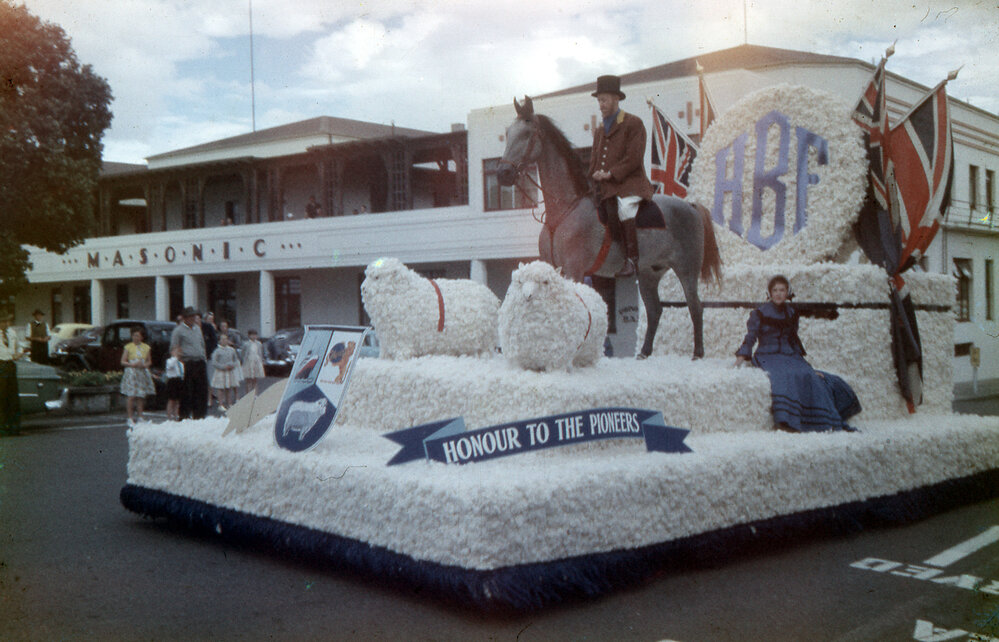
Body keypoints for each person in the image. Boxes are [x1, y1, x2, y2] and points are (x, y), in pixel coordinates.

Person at [734, 275, 861, 432]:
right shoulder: (759, 313)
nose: (779, 294)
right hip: (768, 356)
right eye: (775, 290)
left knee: (808, 375)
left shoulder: (792, 313)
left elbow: (793, 340)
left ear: (788, 292)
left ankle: (821, 420)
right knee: (786, 375)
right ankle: (787, 420)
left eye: (782, 290)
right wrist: (740, 358)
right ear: (769, 293)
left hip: (789, 354)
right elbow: (750, 337)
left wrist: (807, 366)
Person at [587, 74, 654, 278]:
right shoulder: (599, 131)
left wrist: (610, 174)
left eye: (604, 100)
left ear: (616, 99)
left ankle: (632, 260)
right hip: (606, 188)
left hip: (630, 184)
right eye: (599, 100)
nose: (601, 105)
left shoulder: (633, 123)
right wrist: (593, 174)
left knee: (625, 208)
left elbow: (634, 158)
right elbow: (594, 160)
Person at [170, 307, 208, 420]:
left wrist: (203, 356)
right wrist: (177, 361)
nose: (193, 318)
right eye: (190, 316)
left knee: (201, 390)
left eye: (194, 316)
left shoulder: (197, 329)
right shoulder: (178, 331)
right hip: (187, 363)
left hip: (200, 362)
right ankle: (184, 416)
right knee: (187, 391)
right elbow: (174, 347)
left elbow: (202, 344)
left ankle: (200, 416)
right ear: (184, 318)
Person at [120, 326, 155, 427]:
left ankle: (140, 416)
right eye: (134, 335)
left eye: (138, 336)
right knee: (131, 395)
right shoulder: (128, 347)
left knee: (141, 396)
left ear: (142, 337)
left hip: (142, 372)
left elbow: (149, 361)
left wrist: (144, 365)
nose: (136, 337)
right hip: (132, 371)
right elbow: (123, 361)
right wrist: (132, 364)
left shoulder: (146, 347)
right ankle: (130, 417)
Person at [0, 314, 22, 437]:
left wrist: (18, 354)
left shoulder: (12, 333)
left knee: (13, 397)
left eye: (6, 321)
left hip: (10, 365)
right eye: (2, 321)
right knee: (1, 398)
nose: (5, 324)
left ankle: (14, 427)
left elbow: (19, 347)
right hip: (0, 365)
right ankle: (2, 427)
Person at [210, 333, 242, 411]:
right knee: (221, 389)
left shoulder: (232, 350)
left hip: (230, 371)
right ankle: (220, 405)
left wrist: (232, 365)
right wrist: (223, 367)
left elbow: (235, 360)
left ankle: (229, 403)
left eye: (226, 339)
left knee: (229, 388)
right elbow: (214, 362)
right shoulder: (217, 351)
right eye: (222, 339)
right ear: (220, 341)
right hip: (221, 372)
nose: (224, 341)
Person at [240, 329, 265, 395]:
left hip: (256, 362)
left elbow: (260, 353)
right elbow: (243, 353)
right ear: (249, 336)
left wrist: (261, 361)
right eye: (252, 335)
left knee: (255, 379)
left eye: (255, 335)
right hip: (248, 362)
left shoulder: (259, 344)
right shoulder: (246, 344)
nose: (254, 336)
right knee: (248, 380)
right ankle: (248, 394)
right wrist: (243, 361)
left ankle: (255, 394)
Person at [164, 347, 184, 421]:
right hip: (172, 380)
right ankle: (169, 417)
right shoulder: (169, 361)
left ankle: (176, 415)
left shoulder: (181, 363)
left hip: (179, 380)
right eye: (175, 351)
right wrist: (175, 357)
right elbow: (170, 366)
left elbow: (182, 373)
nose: (177, 353)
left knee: (177, 400)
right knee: (171, 399)